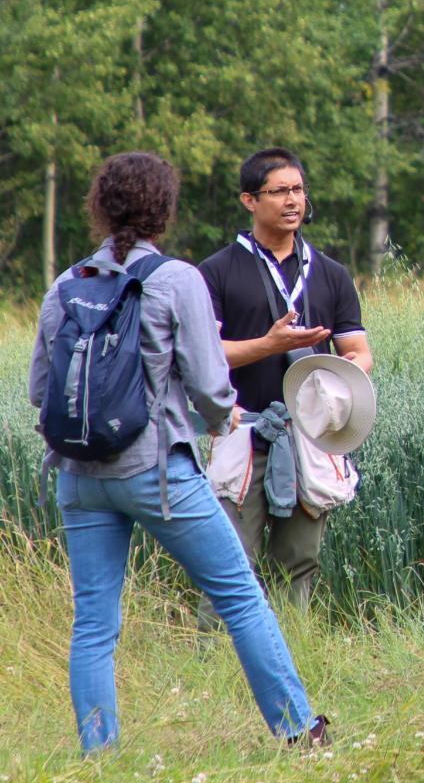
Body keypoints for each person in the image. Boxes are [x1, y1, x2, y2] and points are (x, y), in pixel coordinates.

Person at [28, 151, 327, 753]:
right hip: (156, 471)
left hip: (78, 475)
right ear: (164, 209)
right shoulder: (176, 279)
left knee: (93, 622)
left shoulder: (66, 285)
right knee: (240, 595)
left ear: (101, 208)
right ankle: (298, 728)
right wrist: (221, 421)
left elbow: (40, 390)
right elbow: (211, 385)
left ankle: (98, 752)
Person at [197, 148, 372, 624]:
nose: (293, 200)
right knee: (230, 562)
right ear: (249, 200)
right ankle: (210, 662)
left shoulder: (331, 273)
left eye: (298, 190)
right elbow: (206, 358)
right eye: (279, 191)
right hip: (241, 431)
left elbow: (358, 351)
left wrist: (342, 378)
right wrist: (269, 345)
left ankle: (293, 653)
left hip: (311, 436)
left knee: (300, 561)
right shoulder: (215, 272)